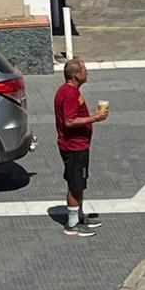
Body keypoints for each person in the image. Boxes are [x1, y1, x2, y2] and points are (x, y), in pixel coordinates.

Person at [54, 59, 108, 237]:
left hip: (79, 145)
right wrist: (94, 118)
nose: (87, 73)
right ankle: (72, 224)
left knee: (79, 183)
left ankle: (79, 216)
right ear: (76, 75)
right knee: (75, 184)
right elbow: (69, 122)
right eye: (84, 70)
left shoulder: (69, 91)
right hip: (74, 147)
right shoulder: (69, 94)